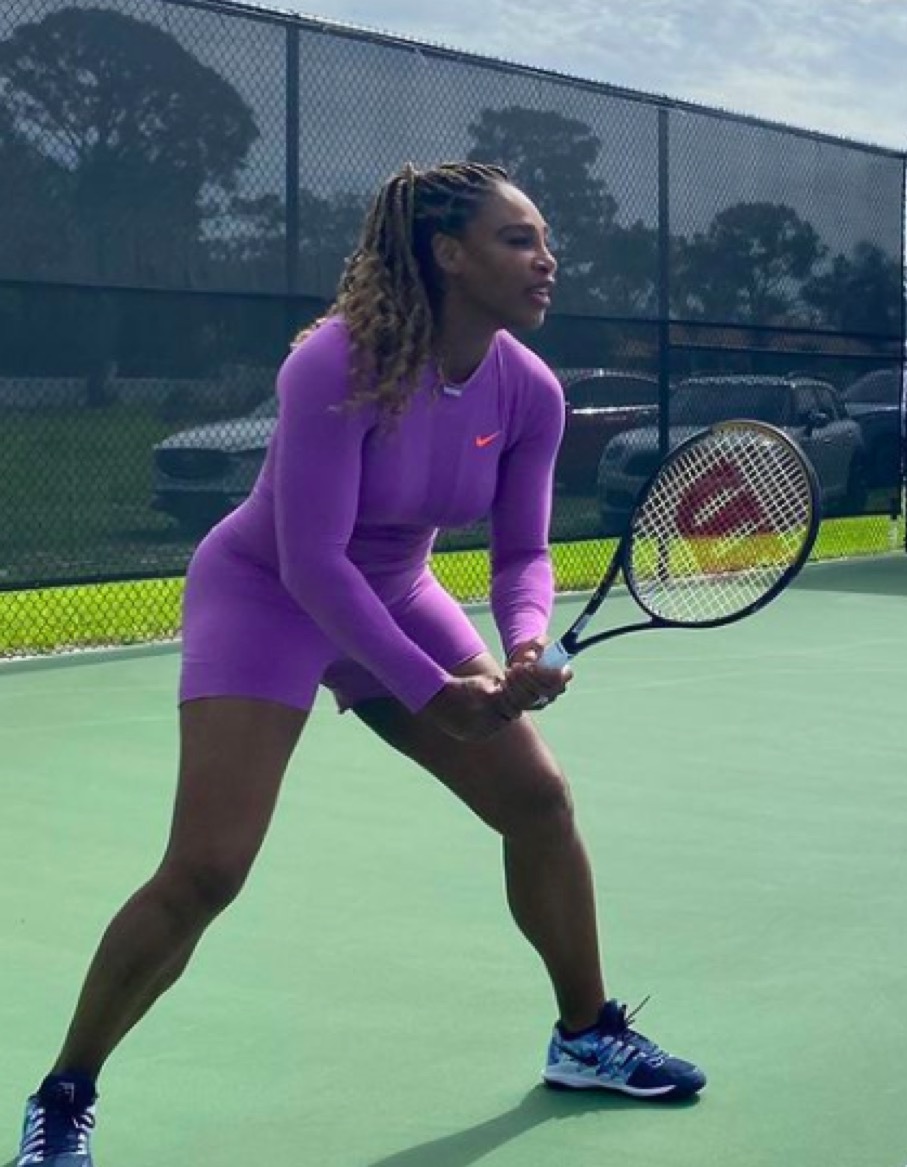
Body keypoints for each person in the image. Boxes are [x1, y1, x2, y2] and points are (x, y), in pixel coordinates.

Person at [18, 162, 704, 1167]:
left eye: (544, 240)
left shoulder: (531, 391)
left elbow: (522, 552)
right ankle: (64, 1095)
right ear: (447, 255)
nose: (546, 260)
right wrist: (434, 690)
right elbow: (310, 561)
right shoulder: (334, 363)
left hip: (396, 589)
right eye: (519, 239)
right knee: (208, 867)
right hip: (266, 595)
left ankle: (588, 1034)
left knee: (538, 802)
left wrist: (520, 643)